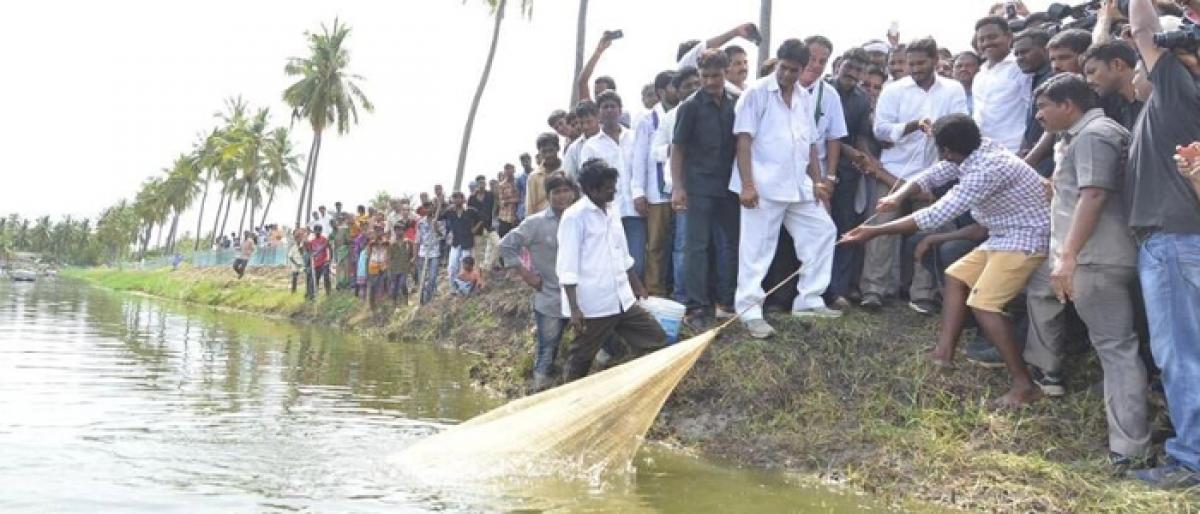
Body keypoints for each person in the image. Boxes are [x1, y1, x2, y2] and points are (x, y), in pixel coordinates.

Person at [840, 114, 1050, 409]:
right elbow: (932, 174)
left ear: (948, 149)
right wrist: (897, 197)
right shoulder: (979, 147)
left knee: (984, 304)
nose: (942, 156)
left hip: (1025, 237)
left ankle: (1023, 384)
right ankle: (943, 354)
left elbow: (935, 215)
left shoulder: (986, 171)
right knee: (956, 275)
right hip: (1003, 233)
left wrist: (872, 232)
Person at [1023, 73, 1149, 466]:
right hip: (1103, 255)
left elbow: (1094, 195)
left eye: (1043, 106)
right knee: (1118, 349)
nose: (1038, 115)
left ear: (1068, 105)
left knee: (1117, 350)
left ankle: (1128, 450)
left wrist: (1068, 257)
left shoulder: (1094, 135)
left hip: (1096, 259)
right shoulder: (1092, 133)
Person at [1124, 0, 1200, 488]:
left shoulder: (1175, 87)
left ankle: (1191, 459)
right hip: (1181, 239)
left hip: (1172, 242)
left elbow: (1143, 26)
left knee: (1181, 355)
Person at [730, 39, 840, 340]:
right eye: (784, 68)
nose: (787, 75)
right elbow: (743, 142)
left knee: (823, 231)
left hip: (798, 183)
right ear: (776, 62)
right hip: (762, 185)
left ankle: (809, 300)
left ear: (803, 69)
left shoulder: (804, 97)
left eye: (794, 70)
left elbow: (810, 143)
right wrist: (748, 185)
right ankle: (750, 312)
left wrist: (817, 182)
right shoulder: (756, 94)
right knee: (756, 251)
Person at [861, 38, 969, 313]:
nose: (916, 68)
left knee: (927, 229)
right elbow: (881, 130)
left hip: (934, 172)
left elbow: (962, 123)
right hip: (895, 172)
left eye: (921, 63)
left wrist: (940, 129)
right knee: (882, 229)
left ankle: (922, 293)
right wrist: (911, 126)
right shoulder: (893, 89)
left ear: (935, 60)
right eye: (911, 64)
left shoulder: (953, 89)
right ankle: (874, 289)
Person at [557, 159, 666, 382]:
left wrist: (637, 286)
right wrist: (574, 309)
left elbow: (622, 254)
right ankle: (568, 401)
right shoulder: (574, 217)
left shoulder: (612, 210)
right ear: (591, 189)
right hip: (593, 305)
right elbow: (567, 267)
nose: (614, 191)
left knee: (656, 339)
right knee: (581, 358)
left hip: (622, 300)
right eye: (608, 188)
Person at [671, 50, 740, 330]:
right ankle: (695, 307)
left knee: (731, 244)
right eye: (706, 76)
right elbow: (677, 149)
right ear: (699, 75)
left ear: (726, 73)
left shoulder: (736, 103)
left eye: (716, 75)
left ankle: (725, 303)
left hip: (728, 186)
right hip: (697, 185)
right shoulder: (690, 106)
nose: (711, 81)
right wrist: (677, 187)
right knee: (695, 248)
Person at [501, 173, 578, 392]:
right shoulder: (535, 223)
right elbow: (507, 245)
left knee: (589, 348)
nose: (562, 197)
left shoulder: (581, 218)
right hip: (550, 297)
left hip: (583, 299)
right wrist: (527, 276)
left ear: (573, 193)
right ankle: (537, 393)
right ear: (548, 196)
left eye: (566, 191)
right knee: (547, 351)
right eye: (556, 192)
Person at [580, 90, 645, 280]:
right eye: (604, 107)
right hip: (606, 212)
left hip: (635, 210)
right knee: (611, 259)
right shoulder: (591, 146)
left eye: (613, 106)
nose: (609, 110)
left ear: (620, 109)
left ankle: (635, 302)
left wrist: (641, 195)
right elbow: (586, 182)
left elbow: (642, 169)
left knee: (637, 259)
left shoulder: (634, 138)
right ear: (598, 113)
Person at [827, 48, 874, 308]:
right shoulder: (821, 91)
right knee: (817, 231)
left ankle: (837, 290)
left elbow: (861, 136)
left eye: (858, 69)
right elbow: (824, 135)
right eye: (849, 66)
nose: (852, 73)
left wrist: (865, 158)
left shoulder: (862, 98)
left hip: (848, 175)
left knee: (844, 230)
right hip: (820, 170)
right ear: (839, 65)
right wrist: (850, 151)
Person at [654, 67, 702, 303]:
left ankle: (704, 295)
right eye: (687, 86)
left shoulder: (713, 108)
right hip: (683, 188)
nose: (693, 89)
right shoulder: (670, 117)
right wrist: (677, 149)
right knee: (683, 246)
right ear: (677, 91)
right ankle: (682, 296)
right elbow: (656, 151)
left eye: (696, 83)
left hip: (710, 188)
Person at [632, 70, 679, 298]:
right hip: (657, 192)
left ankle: (674, 288)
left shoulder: (684, 112)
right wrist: (638, 192)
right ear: (661, 92)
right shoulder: (648, 119)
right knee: (656, 244)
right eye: (673, 86)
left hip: (682, 190)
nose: (678, 90)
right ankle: (654, 290)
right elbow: (640, 157)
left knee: (679, 243)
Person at [973, 16, 1033, 153]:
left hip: (1015, 151)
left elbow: (1032, 110)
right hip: (984, 152)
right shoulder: (979, 75)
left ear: (1008, 37)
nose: (986, 43)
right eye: (981, 39)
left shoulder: (1020, 67)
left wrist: (1025, 148)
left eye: (992, 37)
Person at [1083, 40, 1144, 131]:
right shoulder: (1120, 109)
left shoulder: (1154, 101)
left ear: (1117, 64)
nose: (1088, 81)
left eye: (1092, 71)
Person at [442, 191, 479, 290]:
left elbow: (481, 219)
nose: (457, 200)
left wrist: (475, 228)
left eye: (459, 197)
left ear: (463, 199)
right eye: (455, 198)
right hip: (456, 242)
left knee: (466, 267)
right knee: (452, 266)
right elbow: (439, 217)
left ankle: (468, 287)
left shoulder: (470, 211)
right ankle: (453, 288)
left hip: (467, 242)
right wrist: (439, 202)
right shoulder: (449, 212)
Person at [526, 133, 563, 218]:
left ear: (558, 148)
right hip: (543, 222)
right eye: (544, 152)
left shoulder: (567, 170)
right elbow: (530, 207)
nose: (548, 155)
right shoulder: (534, 177)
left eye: (551, 150)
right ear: (539, 152)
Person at [417, 201, 446, 305]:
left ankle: (428, 299)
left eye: (429, 207)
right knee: (422, 278)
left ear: (433, 208)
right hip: (423, 252)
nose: (428, 209)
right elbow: (418, 239)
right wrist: (415, 255)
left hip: (434, 252)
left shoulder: (439, 221)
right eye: (425, 207)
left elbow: (443, 236)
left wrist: (436, 228)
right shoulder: (420, 222)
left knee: (433, 277)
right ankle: (421, 299)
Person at [469, 175, 499, 270]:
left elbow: (498, 202)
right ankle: (478, 275)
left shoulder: (490, 195)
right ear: (477, 184)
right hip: (477, 228)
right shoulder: (472, 198)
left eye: (484, 182)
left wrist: (495, 188)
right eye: (480, 182)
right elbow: (469, 215)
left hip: (489, 226)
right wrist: (472, 229)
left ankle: (488, 267)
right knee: (477, 255)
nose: (482, 184)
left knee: (498, 244)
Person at [564, 100, 599, 179]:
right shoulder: (573, 149)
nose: (585, 126)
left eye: (589, 122)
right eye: (581, 123)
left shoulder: (610, 140)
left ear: (598, 118)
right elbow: (570, 177)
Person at [388, 222, 413, 305]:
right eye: (398, 230)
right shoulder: (392, 244)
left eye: (402, 230)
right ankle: (394, 304)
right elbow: (389, 257)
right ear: (395, 231)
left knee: (403, 284)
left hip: (404, 268)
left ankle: (406, 301)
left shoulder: (408, 242)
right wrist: (389, 270)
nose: (400, 232)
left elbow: (411, 254)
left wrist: (411, 262)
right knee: (394, 287)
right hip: (394, 269)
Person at [306, 224, 333, 299]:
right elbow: (309, 252)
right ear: (314, 231)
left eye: (319, 230)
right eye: (316, 230)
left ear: (321, 231)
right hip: (315, 264)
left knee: (326, 277)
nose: (317, 232)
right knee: (314, 280)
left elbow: (330, 249)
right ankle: (313, 295)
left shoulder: (324, 239)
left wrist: (330, 259)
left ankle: (328, 293)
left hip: (324, 262)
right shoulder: (311, 242)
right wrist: (309, 264)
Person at [366, 227, 390, 308]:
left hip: (383, 265)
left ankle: (381, 301)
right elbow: (368, 255)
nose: (378, 232)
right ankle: (372, 303)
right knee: (373, 285)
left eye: (380, 230)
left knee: (383, 283)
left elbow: (388, 253)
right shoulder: (371, 243)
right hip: (373, 265)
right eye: (377, 231)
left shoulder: (386, 242)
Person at [496, 165, 520, 238]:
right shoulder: (501, 185)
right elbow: (502, 202)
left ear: (514, 170)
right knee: (503, 241)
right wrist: (514, 199)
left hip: (517, 217)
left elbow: (520, 199)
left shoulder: (518, 182)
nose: (509, 172)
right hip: (504, 218)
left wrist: (508, 200)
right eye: (507, 170)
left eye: (510, 169)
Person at [288, 228, 309, 294]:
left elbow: (305, 254)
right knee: (294, 277)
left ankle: (308, 292)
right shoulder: (293, 247)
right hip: (296, 265)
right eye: (297, 238)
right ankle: (293, 291)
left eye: (299, 237)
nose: (298, 239)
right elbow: (290, 257)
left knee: (308, 277)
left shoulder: (304, 245)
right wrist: (297, 264)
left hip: (303, 263)